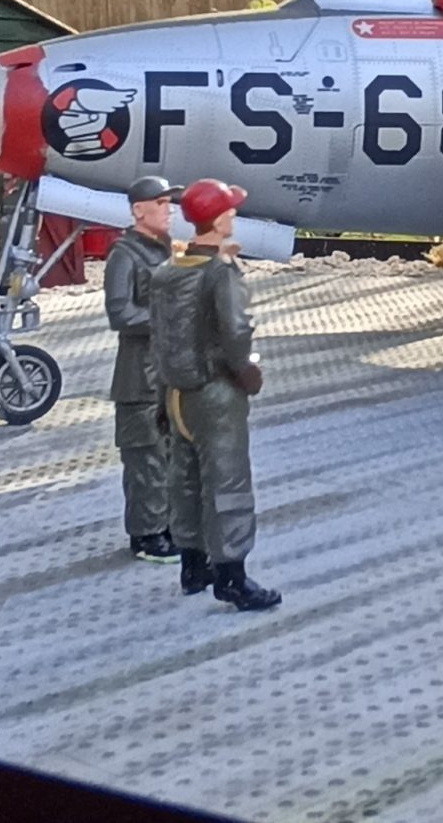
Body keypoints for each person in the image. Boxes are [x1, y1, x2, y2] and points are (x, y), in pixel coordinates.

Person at [146, 178, 279, 611]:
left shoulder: (167, 271)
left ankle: (193, 566)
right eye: (229, 210)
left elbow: (159, 337)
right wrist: (247, 372)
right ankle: (232, 577)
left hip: (176, 392)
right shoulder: (220, 272)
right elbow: (236, 331)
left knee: (184, 480)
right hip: (215, 392)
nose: (233, 216)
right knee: (228, 481)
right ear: (219, 219)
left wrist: (162, 395)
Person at [103, 176, 183, 564]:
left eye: (170, 204)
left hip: (167, 375)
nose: (169, 211)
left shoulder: (164, 251)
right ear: (139, 210)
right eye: (161, 204)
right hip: (138, 377)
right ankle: (146, 535)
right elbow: (119, 313)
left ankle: (166, 525)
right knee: (145, 458)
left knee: (168, 454)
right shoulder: (125, 255)